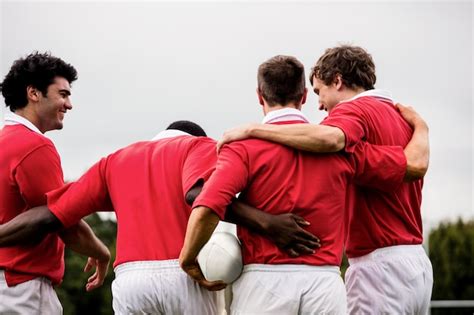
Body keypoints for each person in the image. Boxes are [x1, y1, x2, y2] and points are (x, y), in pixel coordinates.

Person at [180, 55, 429, 314]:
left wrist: (188, 258)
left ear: (259, 96)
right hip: (327, 285)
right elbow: (410, 166)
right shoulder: (343, 151)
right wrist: (422, 128)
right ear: (303, 96)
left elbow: (208, 204)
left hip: (265, 284)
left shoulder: (244, 146)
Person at [0, 119, 319, 314]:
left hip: (130, 281)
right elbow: (202, 196)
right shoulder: (198, 145)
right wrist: (270, 223)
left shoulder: (113, 161)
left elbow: (51, 216)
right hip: (185, 275)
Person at [0, 52, 110, 314]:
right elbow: (61, 219)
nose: (68, 104)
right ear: (34, 93)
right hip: (22, 286)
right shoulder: (34, 145)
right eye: (62, 94)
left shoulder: (4, 140)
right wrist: (102, 252)